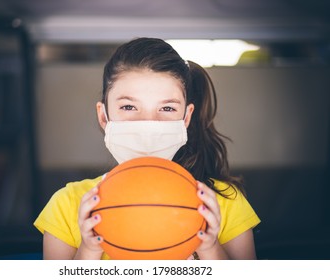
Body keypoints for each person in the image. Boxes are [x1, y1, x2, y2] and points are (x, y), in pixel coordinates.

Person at [34, 37, 260, 260]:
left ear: (186, 118)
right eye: (129, 106)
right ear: (104, 116)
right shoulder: (66, 205)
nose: (148, 123)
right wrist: (90, 249)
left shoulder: (225, 202)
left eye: (168, 108)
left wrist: (208, 247)